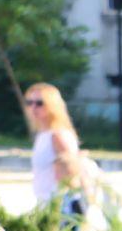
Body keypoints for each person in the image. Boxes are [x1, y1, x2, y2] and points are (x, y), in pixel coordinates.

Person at [24, 83, 90, 223]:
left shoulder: (57, 135)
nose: (33, 107)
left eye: (39, 103)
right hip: (45, 204)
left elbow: (73, 173)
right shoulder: (43, 135)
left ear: (52, 105)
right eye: (29, 102)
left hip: (60, 208)